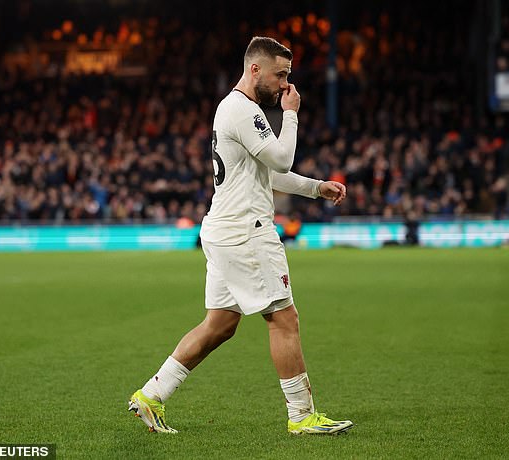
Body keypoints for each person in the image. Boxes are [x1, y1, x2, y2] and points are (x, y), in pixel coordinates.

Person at [128, 37, 353, 435]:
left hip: (223, 229)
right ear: (255, 70)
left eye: (288, 77)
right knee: (284, 318)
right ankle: (302, 416)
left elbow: (272, 171)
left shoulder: (236, 109)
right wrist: (292, 115)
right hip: (247, 232)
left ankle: (152, 394)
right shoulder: (243, 110)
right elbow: (283, 157)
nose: (286, 85)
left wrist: (317, 187)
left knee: (220, 324)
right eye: (280, 75)